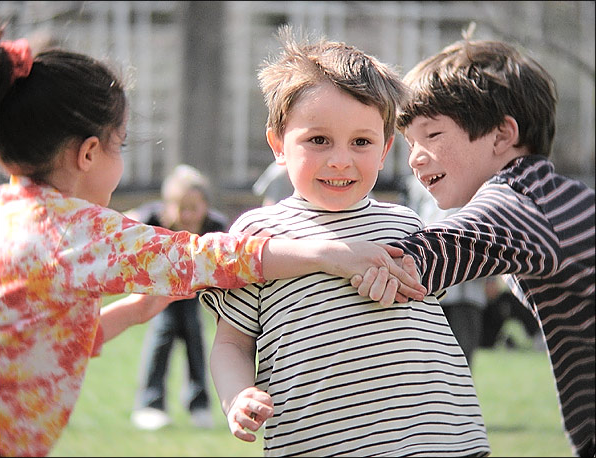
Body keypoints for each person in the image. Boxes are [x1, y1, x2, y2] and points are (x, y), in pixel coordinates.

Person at [0, 30, 425, 457]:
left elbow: (34, 340)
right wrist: (326, 253)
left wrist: (133, 312)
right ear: (88, 153)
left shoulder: (10, 214)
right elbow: (205, 258)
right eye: (120, 144)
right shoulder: (75, 231)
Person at [200, 26, 490, 457]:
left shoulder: (405, 225)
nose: (341, 159)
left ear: (385, 147)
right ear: (278, 144)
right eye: (318, 140)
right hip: (320, 443)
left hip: (440, 440)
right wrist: (237, 396)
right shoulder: (258, 236)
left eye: (361, 142)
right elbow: (230, 344)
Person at [352, 39, 595, 457]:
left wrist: (321, 253)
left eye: (432, 134)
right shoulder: (559, 196)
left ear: (502, 134)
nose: (415, 158)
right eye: (410, 142)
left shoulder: (518, 198)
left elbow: (444, 247)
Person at [129, 165, 225, 430]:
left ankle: (200, 405)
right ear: (166, 206)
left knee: (196, 339)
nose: (187, 214)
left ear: (205, 204)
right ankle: (150, 404)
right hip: (161, 296)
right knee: (162, 335)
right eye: (180, 207)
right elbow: (125, 226)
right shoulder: (152, 219)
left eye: (194, 207)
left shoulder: (215, 226)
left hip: (194, 296)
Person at [406, 174, 486, 368]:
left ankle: (459, 397)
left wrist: (490, 279)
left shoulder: (475, 177)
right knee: (427, 356)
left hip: (466, 291)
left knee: (461, 357)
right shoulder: (418, 181)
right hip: (429, 288)